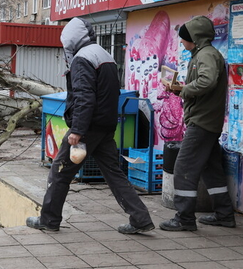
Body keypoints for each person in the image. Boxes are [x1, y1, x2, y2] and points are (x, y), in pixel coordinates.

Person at [26, 18, 155, 234]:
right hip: (105, 126)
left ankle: (48, 220)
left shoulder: (82, 59)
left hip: (87, 129)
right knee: (114, 174)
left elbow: (85, 97)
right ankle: (141, 219)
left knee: (59, 172)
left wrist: (77, 130)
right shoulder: (104, 55)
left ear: (72, 40)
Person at [159, 16, 235, 231]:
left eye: (184, 39)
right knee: (211, 170)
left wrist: (183, 90)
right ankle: (225, 214)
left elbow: (207, 81)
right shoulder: (203, 54)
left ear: (195, 37)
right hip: (207, 120)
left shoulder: (207, 55)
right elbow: (204, 82)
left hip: (202, 122)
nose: (182, 42)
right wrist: (181, 88)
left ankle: (184, 219)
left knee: (183, 168)